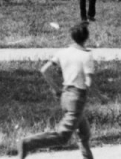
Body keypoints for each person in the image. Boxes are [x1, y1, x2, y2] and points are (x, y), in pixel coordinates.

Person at [17, 23, 95, 159]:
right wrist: (99, 95)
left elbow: (44, 70)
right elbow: (88, 82)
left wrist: (56, 89)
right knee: (62, 137)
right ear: (86, 37)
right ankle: (27, 143)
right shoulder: (86, 55)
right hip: (77, 99)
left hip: (65, 96)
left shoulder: (62, 52)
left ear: (72, 36)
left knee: (84, 134)